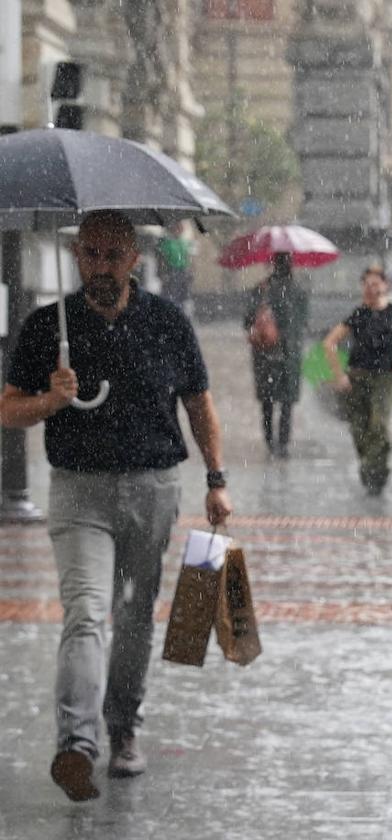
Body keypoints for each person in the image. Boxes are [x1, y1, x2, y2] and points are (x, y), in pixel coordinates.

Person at [0, 210, 234, 802]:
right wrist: (49, 401)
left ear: (134, 259)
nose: (101, 267)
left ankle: (123, 726)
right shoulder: (46, 326)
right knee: (85, 610)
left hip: (152, 488)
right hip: (79, 490)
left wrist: (215, 478)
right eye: (91, 255)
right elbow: (7, 408)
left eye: (113, 256)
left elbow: (199, 406)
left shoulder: (167, 322)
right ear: (78, 255)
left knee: (132, 618)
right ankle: (76, 744)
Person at [321, 266, 392, 495]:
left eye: (376, 284)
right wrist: (339, 375)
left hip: (385, 379)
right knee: (359, 429)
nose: (371, 289)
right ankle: (371, 466)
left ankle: (375, 473)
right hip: (358, 377)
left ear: (385, 286)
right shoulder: (359, 314)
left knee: (378, 425)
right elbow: (329, 343)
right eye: (367, 284)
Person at [243, 252, 309, 458]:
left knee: (267, 401)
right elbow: (303, 322)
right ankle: (283, 443)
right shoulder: (299, 291)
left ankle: (270, 441)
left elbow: (246, 321)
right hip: (289, 354)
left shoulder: (260, 289)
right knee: (287, 402)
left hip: (265, 354)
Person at [155, 221, 193, 315]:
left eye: (180, 229)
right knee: (170, 294)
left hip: (182, 271)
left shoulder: (182, 242)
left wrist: (189, 270)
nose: (179, 231)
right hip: (171, 270)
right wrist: (163, 273)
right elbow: (162, 259)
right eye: (177, 228)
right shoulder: (166, 242)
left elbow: (186, 258)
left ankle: (179, 313)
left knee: (182, 296)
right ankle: (169, 313)